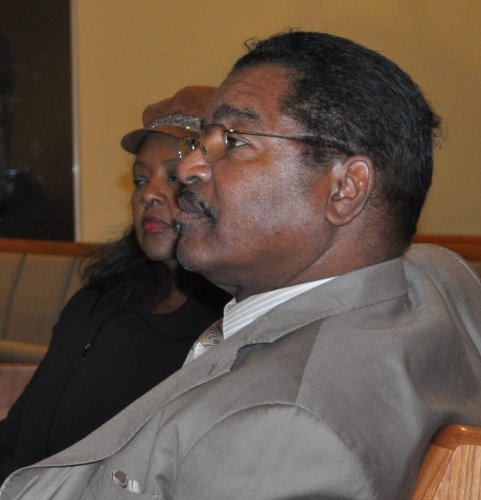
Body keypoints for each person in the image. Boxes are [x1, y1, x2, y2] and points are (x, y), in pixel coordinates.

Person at [2, 31, 481, 500]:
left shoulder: (282, 429)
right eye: (202, 142)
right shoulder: (439, 279)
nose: (187, 169)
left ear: (345, 188)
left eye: (231, 141)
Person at [0, 85, 229, 483]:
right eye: (140, 179)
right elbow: (22, 424)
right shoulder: (101, 296)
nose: (149, 195)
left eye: (173, 177)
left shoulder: (222, 330)